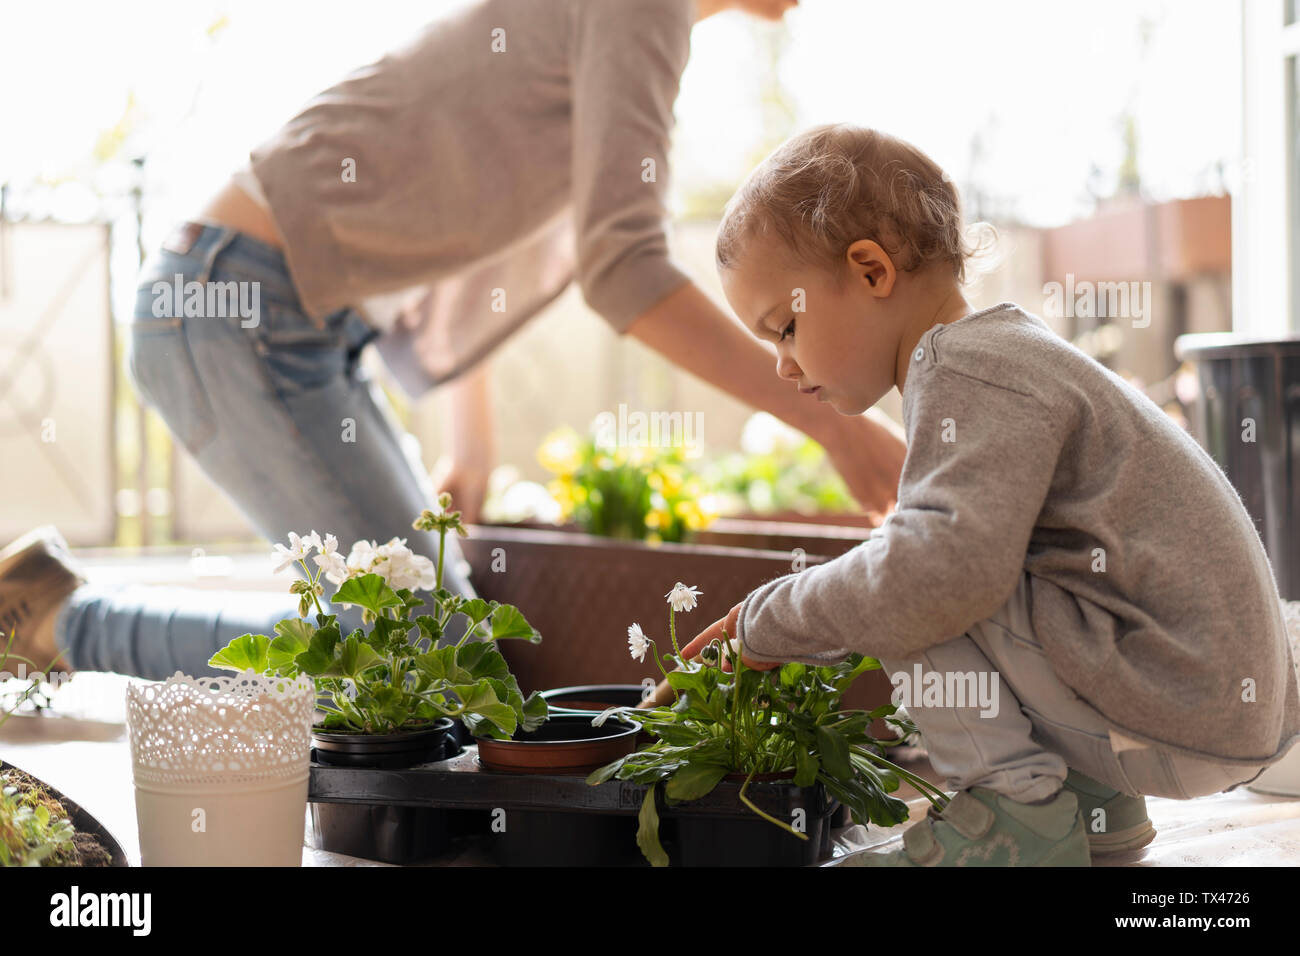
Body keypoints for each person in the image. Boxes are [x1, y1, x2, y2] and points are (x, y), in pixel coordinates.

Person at [0, 0, 907, 682]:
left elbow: (458, 228)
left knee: (430, 640)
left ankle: (51, 608)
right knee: (425, 656)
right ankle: (59, 623)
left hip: (288, 321)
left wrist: (468, 451)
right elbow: (623, 269)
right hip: (239, 308)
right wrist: (833, 425)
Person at [680, 123, 1300, 866]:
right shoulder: (1005, 353)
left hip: (1179, 707)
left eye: (784, 327)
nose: (782, 364)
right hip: (1208, 709)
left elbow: (933, 578)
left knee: (915, 574)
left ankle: (1019, 824)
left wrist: (768, 620)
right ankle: (1093, 807)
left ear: (872, 270)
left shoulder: (966, 369)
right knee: (935, 555)